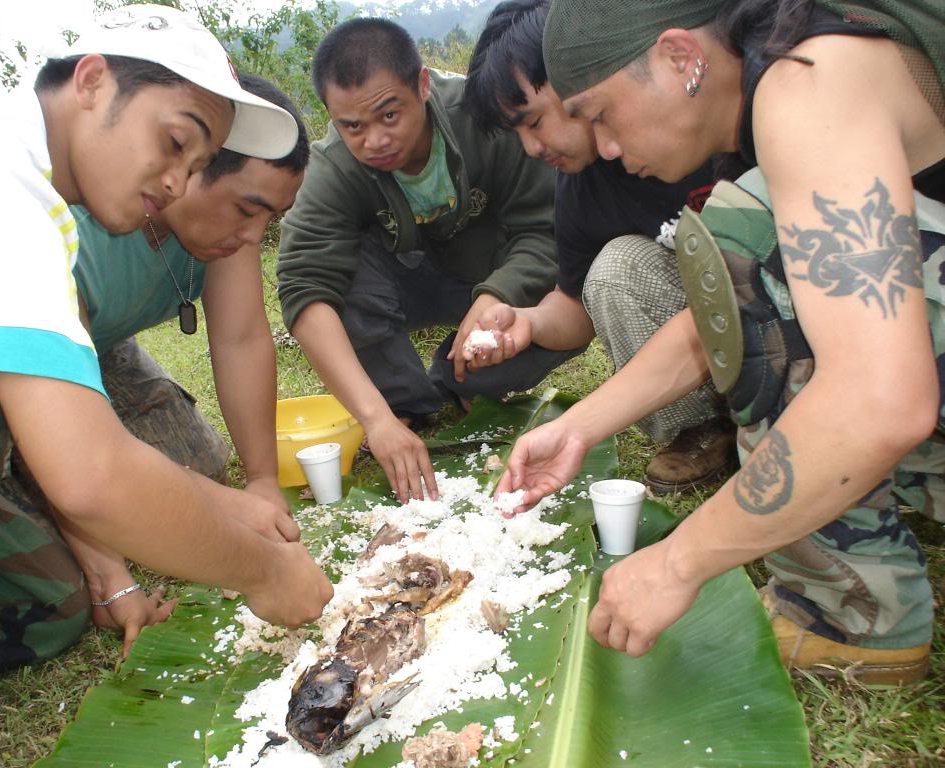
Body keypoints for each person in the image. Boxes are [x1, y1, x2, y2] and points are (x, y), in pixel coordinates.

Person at [498, 0, 944, 684]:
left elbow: (879, 400)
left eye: (601, 114)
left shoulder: (805, 84)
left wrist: (677, 563)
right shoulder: (779, 77)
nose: (607, 149)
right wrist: (579, 428)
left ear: (681, 58)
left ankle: (854, 618)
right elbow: (712, 327)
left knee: (746, 230)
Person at [0, 5, 331, 675]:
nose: (175, 181)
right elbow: (90, 473)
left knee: (46, 607)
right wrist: (260, 569)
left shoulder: (42, 192)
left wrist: (232, 503)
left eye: (194, 163)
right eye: (174, 142)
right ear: (90, 81)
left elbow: (239, 340)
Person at [8, 73, 310, 653]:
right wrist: (108, 571)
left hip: (103, 351)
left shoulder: (228, 236)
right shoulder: (70, 218)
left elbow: (242, 337)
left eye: (269, 218)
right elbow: (75, 448)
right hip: (17, 361)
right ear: (193, 167)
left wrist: (263, 480)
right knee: (54, 585)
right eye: (247, 209)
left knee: (197, 461)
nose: (253, 234)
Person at [278, 17, 579, 505]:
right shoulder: (334, 165)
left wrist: (499, 294)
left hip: (494, 274)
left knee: (567, 288)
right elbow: (302, 287)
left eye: (388, 116)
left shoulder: (485, 116)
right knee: (335, 277)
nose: (373, 141)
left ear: (421, 85)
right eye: (352, 126)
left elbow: (545, 230)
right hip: (405, 283)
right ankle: (401, 407)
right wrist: (373, 418)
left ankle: (466, 384)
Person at [463, 0, 742, 494]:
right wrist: (528, 321)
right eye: (517, 134)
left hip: (759, 308)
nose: (532, 148)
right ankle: (703, 429)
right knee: (615, 270)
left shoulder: (717, 122)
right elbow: (576, 303)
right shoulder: (582, 183)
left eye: (535, 121)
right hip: (719, 311)